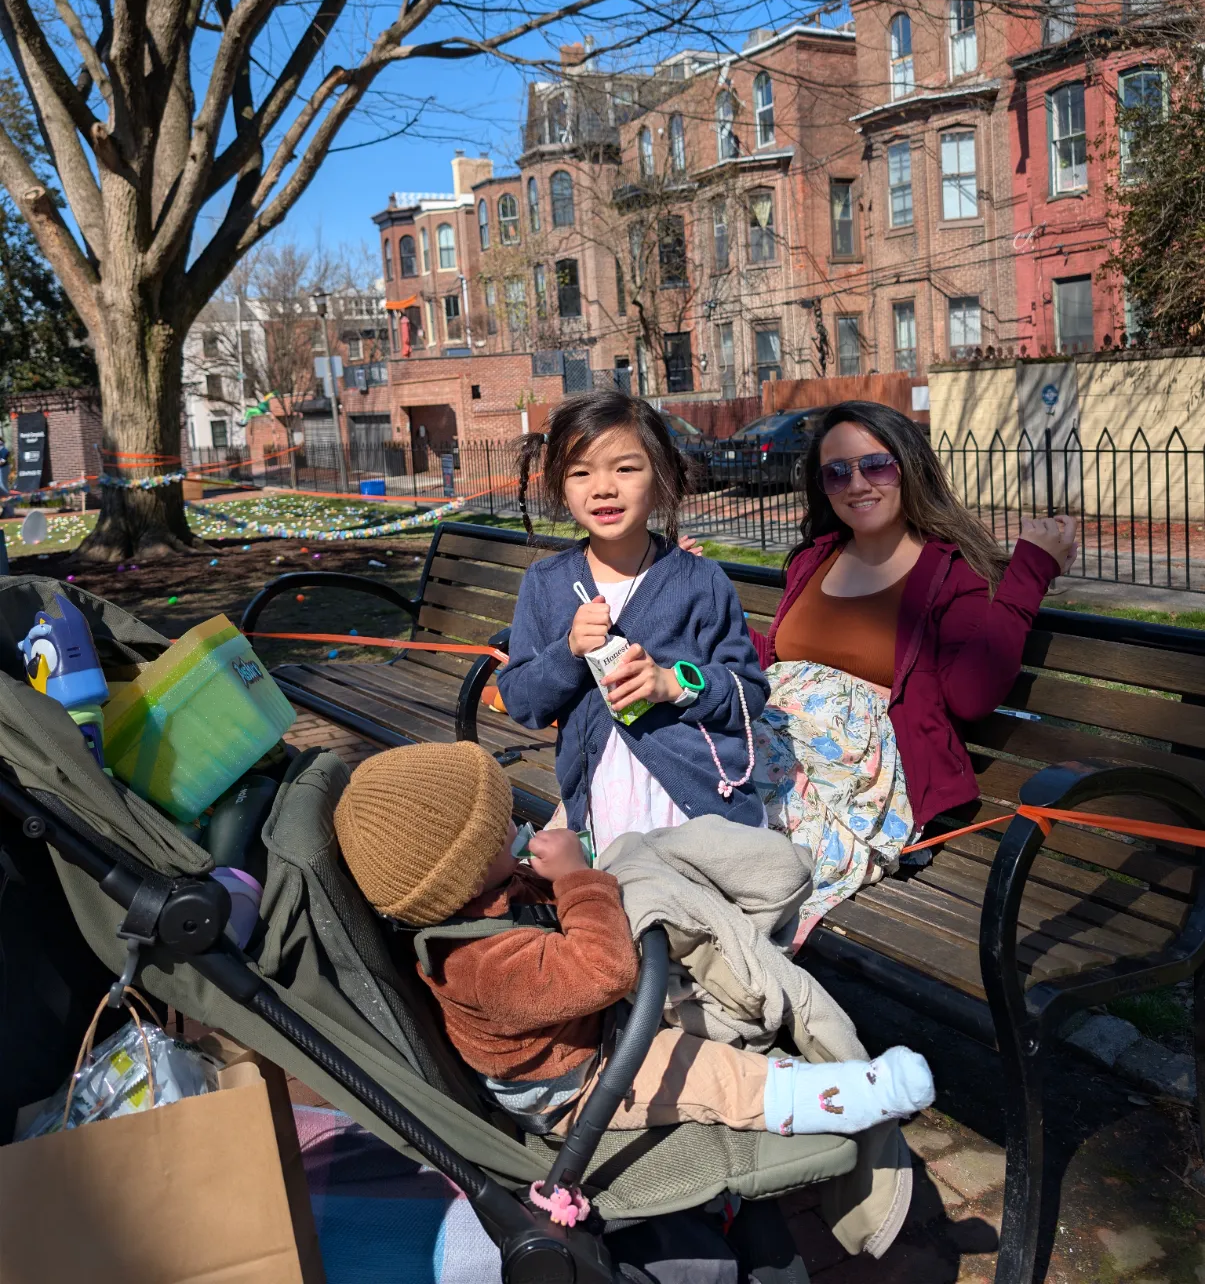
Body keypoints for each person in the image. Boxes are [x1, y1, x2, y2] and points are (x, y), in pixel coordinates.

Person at [334, 740, 935, 1138]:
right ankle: (835, 1097)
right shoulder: (475, 963)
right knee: (707, 1076)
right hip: (571, 1086)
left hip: (589, 1024)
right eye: (498, 833)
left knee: (640, 863)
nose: (513, 826)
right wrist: (574, 880)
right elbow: (602, 970)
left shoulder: (480, 899)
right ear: (460, 875)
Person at [745, 401, 1077, 918]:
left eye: (876, 465)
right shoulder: (816, 558)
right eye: (835, 473)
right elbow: (781, 659)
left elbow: (970, 696)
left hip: (858, 786)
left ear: (910, 466)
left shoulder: (949, 571)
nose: (856, 485)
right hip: (776, 746)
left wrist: (1030, 572)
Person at [498, 390, 770, 858]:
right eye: (581, 473)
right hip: (602, 809)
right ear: (561, 487)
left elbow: (750, 694)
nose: (603, 488)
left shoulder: (699, 580)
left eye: (625, 468)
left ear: (661, 477)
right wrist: (568, 652)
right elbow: (522, 701)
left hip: (697, 806)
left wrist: (676, 684)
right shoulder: (546, 583)